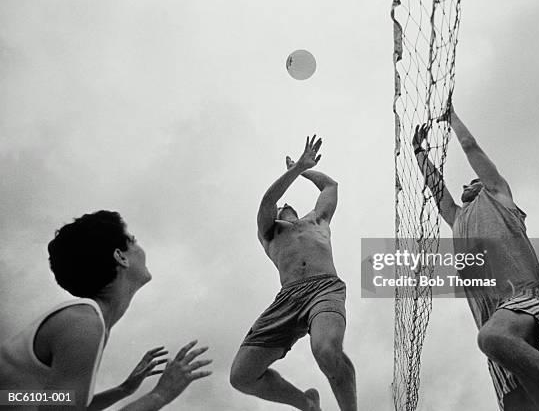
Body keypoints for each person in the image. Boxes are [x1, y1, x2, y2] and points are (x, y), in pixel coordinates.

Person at [413, 105, 539, 410]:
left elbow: (470, 147)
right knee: (518, 402)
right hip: (500, 321)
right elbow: (437, 188)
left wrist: (452, 118)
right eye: (465, 185)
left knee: (492, 338)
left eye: (472, 181)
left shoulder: (497, 194)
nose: (466, 185)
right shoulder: (458, 219)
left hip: (530, 299)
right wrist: (418, 153)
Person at [0, 210, 212, 410]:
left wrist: (123, 390)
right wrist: (160, 395)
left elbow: (59, 402)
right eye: (134, 240)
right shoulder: (83, 325)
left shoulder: (87, 321)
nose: (141, 249)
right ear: (120, 257)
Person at [230, 136, 356, 411]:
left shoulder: (316, 220)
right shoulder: (269, 232)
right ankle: (307, 403)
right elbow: (268, 198)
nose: (282, 204)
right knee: (241, 376)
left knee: (326, 351)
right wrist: (295, 168)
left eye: (287, 203)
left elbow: (330, 185)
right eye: (279, 206)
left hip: (324, 289)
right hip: (287, 299)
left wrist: (305, 170)